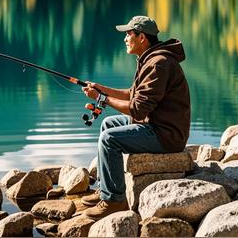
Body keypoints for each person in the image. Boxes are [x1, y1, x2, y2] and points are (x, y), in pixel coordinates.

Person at [81, 16, 191, 220]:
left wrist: (102, 99)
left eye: (128, 34)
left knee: (109, 140)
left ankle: (115, 201)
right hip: (156, 125)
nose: (125, 38)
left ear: (142, 37)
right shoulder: (151, 58)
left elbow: (138, 110)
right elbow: (134, 94)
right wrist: (101, 88)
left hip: (166, 135)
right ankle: (106, 189)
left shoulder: (159, 64)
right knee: (108, 123)